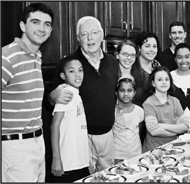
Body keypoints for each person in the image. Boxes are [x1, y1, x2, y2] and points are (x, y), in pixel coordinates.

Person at [44, 16, 119, 174]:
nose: (90, 38)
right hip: (82, 137)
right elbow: (49, 97)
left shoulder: (112, 62)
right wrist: (53, 95)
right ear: (78, 38)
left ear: (102, 34)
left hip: (108, 135)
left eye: (94, 32)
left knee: (110, 176)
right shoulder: (69, 64)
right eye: (84, 34)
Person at [2, 3, 54, 182]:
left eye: (47, 24)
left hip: (37, 142)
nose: (42, 28)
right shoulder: (7, 57)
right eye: (35, 22)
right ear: (23, 26)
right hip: (14, 146)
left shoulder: (36, 57)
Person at [51, 57, 89, 182]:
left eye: (80, 70)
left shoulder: (76, 94)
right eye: (72, 71)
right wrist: (56, 159)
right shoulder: (67, 92)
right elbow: (55, 125)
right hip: (68, 164)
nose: (78, 74)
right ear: (63, 75)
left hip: (80, 162)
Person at [142, 66, 189, 152]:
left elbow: (185, 126)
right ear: (153, 83)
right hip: (153, 151)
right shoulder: (148, 103)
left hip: (174, 148)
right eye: (159, 80)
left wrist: (162, 126)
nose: (164, 82)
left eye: (167, 79)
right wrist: (177, 131)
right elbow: (154, 131)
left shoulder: (175, 101)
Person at [113, 76, 144, 164]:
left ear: (134, 93)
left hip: (136, 154)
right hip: (117, 155)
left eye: (129, 90)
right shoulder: (112, 111)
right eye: (122, 90)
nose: (126, 94)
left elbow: (140, 131)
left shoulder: (139, 111)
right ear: (116, 92)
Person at [116, 38, 148, 107]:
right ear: (117, 55)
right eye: (125, 54)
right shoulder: (110, 75)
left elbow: (146, 102)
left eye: (132, 55)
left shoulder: (143, 76)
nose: (129, 58)